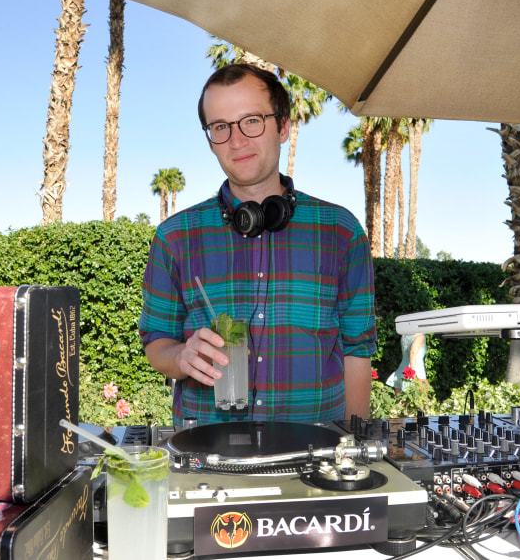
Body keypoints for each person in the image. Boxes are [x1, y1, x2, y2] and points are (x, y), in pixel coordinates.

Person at [139, 64, 376, 426]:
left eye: (251, 121)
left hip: (315, 453)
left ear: (283, 127)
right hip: (207, 455)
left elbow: (357, 351)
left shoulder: (341, 231)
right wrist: (181, 356)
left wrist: (353, 448)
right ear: (209, 138)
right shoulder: (174, 237)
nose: (236, 141)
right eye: (221, 127)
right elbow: (157, 342)